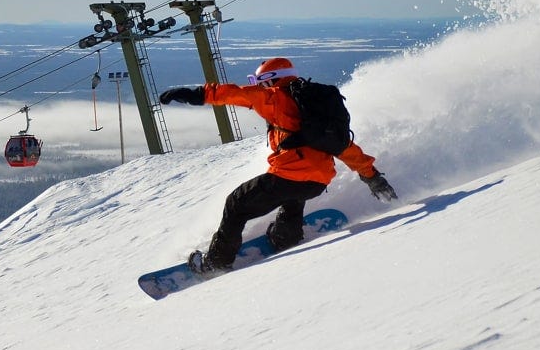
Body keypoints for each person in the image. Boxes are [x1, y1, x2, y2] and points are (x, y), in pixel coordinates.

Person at [159, 57, 397, 272]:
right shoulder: (315, 113)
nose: (258, 86)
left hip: (288, 176)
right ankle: (286, 237)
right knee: (293, 195)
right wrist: (373, 177)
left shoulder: (274, 97)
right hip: (317, 181)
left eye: (259, 81)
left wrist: (194, 94)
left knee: (236, 203)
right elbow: (344, 147)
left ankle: (216, 263)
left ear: (271, 80)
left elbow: (235, 93)